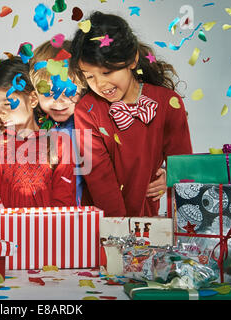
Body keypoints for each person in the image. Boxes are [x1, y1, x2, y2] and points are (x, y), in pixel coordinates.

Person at [70, 11, 192, 217]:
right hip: (103, 223)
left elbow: (185, 169)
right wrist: (119, 232)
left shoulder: (168, 103)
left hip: (149, 224)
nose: (100, 84)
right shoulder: (87, 110)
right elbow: (100, 179)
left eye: (107, 72)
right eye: (89, 76)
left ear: (133, 60)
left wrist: (171, 177)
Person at [0, 57, 76, 207]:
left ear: (33, 99)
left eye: (8, 104)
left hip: (50, 228)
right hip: (3, 229)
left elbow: (64, 201)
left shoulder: (59, 143)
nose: (0, 113)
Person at [28, 39, 92, 206]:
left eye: (69, 93)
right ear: (35, 94)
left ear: (82, 88)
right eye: (49, 94)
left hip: (81, 215)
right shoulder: (33, 125)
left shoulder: (90, 125)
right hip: (41, 215)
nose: (58, 102)